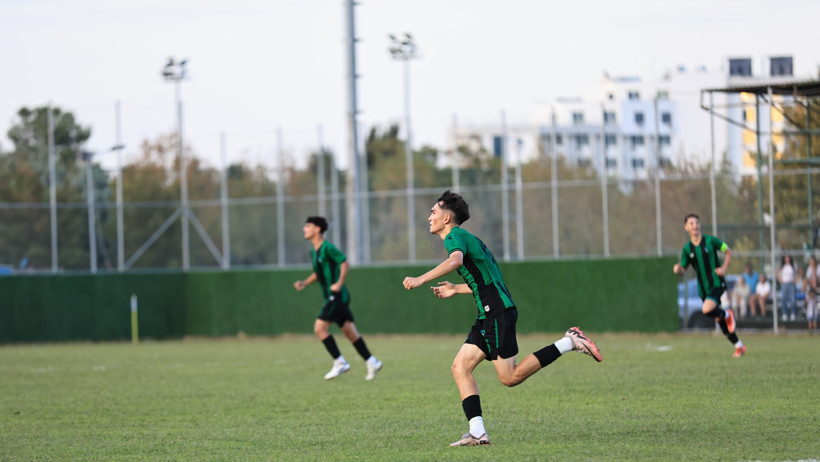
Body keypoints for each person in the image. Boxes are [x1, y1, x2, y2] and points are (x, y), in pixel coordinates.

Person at [402, 190, 602, 447]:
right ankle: (477, 432)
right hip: (489, 312)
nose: (429, 217)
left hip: (496, 313)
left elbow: (455, 261)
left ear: (447, 218)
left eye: (433, 212)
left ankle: (570, 341)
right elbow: (486, 282)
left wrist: (420, 279)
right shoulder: (465, 237)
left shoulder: (455, 237)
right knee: (460, 367)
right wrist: (455, 288)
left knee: (510, 377)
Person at [293, 216, 382, 381]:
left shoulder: (327, 247)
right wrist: (304, 283)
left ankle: (340, 362)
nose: (304, 229)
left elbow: (344, 263)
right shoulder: (314, 252)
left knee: (319, 329)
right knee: (349, 332)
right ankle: (372, 362)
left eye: (308, 226)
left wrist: (339, 283)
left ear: (317, 229)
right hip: (333, 297)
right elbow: (318, 274)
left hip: (337, 296)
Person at [673, 213, 746, 358]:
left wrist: (723, 269)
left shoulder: (711, 240)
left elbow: (728, 251)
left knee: (707, 310)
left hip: (717, 282)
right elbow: (683, 269)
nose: (695, 226)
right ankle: (739, 346)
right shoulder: (687, 249)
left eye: (697, 223)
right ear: (686, 227)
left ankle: (727, 313)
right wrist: (678, 269)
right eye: (692, 224)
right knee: (720, 322)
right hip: (703, 288)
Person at [778, 255, 797, 322]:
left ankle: (793, 313)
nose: (787, 259)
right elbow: (777, 272)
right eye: (786, 258)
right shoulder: (783, 266)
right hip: (784, 284)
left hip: (791, 284)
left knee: (793, 299)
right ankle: (784, 314)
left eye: (788, 257)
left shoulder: (793, 265)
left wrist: (796, 279)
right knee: (783, 299)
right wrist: (780, 279)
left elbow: (800, 271)